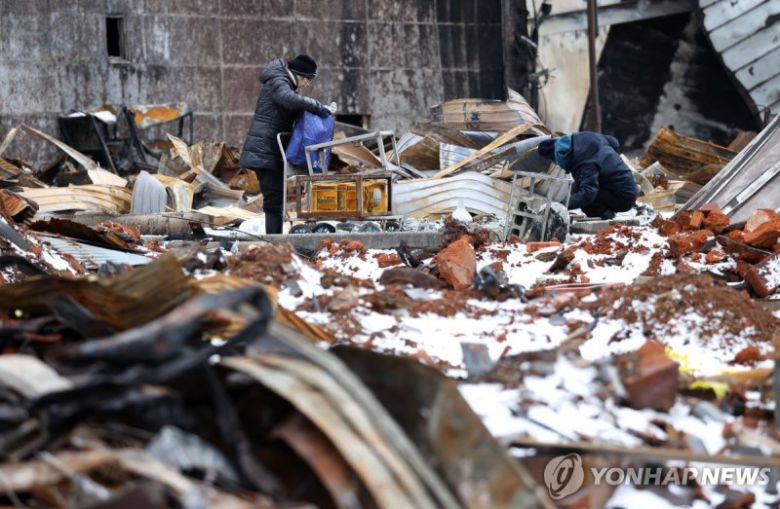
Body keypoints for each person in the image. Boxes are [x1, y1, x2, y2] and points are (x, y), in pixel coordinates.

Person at [238, 54, 333, 234]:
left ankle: (275, 241)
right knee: (274, 202)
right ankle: (274, 243)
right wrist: (318, 106)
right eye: (307, 80)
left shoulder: (282, 82)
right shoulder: (278, 82)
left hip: (270, 150)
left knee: (275, 201)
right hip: (265, 151)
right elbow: (289, 99)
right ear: (300, 75)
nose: (306, 85)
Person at [537, 132, 638, 219]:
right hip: (630, 186)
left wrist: (560, 205)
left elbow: (588, 194)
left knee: (580, 191)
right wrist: (609, 161)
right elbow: (614, 142)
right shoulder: (581, 137)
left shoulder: (585, 163)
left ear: (559, 157)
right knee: (579, 186)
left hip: (624, 198)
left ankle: (607, 218)